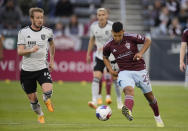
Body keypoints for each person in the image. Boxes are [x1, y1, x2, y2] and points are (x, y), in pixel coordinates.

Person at [103, 22, 164, 127]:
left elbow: (148, 40)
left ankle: (157, 117)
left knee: (149, 97)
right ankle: (128, 111)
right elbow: (105, 57)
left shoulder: (131, 37)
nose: (117, 38)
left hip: (140, 70)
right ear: (112, 33)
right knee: (129, 90)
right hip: (124, 72)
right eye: (115, 35)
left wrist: (140, 53)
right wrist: (110, 70)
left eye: (119, 35)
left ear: (123, 31)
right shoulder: (108, 45)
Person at [17, 7, 55, 124]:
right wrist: (31, 50)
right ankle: (40, 115)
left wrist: (52, 60)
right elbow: (20, 52)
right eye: (37, 18)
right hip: (27, 71)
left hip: (41, 67)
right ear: (31, 18)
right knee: (33, 101)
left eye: (41, 18)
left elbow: (52, 45)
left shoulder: (48, 31)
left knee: (48, 91)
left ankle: (46, 98)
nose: (40, 20)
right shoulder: (23, 32)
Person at [86, 8, 123, 109]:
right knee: (96, 78)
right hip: (99, 56)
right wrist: (88, 54)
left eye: (103, 15)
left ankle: (119, 101)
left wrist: (108, 46)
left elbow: (118, 40)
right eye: (99, 15)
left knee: (115, 79)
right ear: (97, 16)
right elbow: (91, 40)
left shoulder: (112, 26)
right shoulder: (93, 27)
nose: (101, 17)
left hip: (111, 57)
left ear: (107, 16)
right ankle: (94, 100)